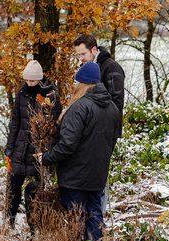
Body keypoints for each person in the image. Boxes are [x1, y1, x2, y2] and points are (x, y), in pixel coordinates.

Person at [37, 62, 119, 241]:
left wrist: (47, 157)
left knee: (76, 215)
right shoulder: (113, 108)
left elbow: (67, 145)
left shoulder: (78, 108)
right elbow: (113, 141)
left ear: (82, 83)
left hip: (75, 176)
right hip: (98, 173)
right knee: (95, 213)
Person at [5, 60, 62, 229]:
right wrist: (10, 147)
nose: (29, 83)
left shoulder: (50, 94)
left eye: (32, 80)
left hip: (40, 148)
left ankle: (36, 224)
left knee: (39, 187)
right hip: (21, 146)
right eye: (27, 80)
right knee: (13, 186)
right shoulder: (21, 92)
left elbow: (55, 125)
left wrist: (50, 150)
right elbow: (15, 121)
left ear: (39, 78)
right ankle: (9, 222)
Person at [74, 33, 125, 214]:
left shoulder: (111, 69)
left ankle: (100, 216)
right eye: (78, 55)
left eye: (83, 55)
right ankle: (90, 213)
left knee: (100, 174)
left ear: (94, 50)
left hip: (106, 133)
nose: (80, 59)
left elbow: (117, 104)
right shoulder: (89, 67)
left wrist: (106, 131)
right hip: (90, 131)